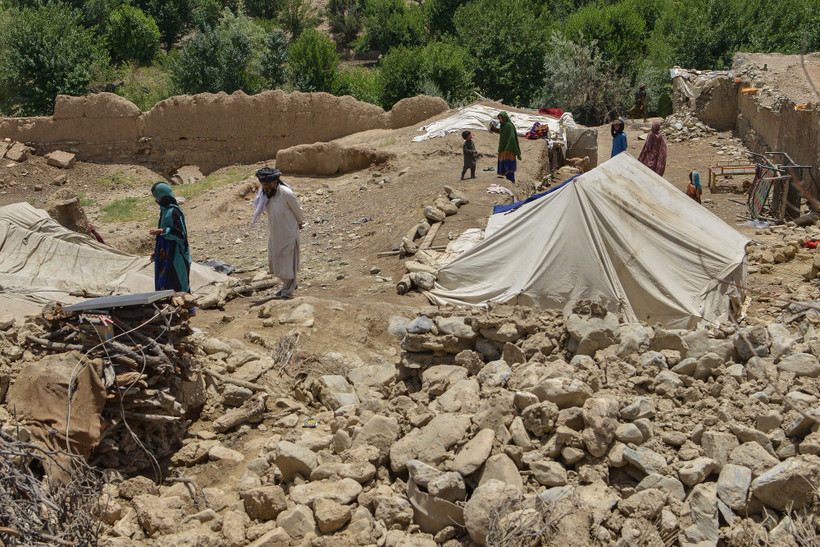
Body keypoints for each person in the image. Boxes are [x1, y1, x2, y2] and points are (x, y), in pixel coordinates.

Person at [251, 167, 306, 299]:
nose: (264, 188)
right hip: (275, 234)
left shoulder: (286, 193)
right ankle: (287, 284)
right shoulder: (265, 194)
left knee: (288, 262)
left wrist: (300, 223)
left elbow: (298, 210)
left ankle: (288, 291)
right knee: (275, 261)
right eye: (263, 185)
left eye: (267, 185)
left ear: (275, 183)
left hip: (288, 232)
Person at [149, 182, 191, 293]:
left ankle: (185, 308)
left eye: (156, 196)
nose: (155, 200)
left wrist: (163, 231)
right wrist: (155, 250)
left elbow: (180, 234)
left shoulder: (174, 211)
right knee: (163, 283)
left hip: (176, 254)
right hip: (163, 254)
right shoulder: (164, 211)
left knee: (177, 283)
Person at [496, 111, 521, 183]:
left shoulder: (509, 126)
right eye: (499, 119)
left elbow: (512, 137)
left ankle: (511, 180)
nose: (501, 120)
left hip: (509, 148)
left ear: (505, 118)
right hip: (503, 147)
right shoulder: (502, 126)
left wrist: (508, 146)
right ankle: (508, 179)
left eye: (502, 119)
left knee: (509, 164)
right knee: (504, 163)